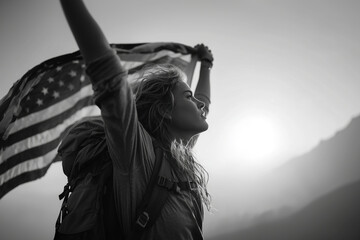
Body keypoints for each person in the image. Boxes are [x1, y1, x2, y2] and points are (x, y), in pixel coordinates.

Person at [59, 0, 213, 239]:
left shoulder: (177, 152)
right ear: (165, 111)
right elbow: (108, 75)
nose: (200, 104)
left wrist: (206, 66)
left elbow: (204, 106)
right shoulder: (137, 157)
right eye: (188, 97)